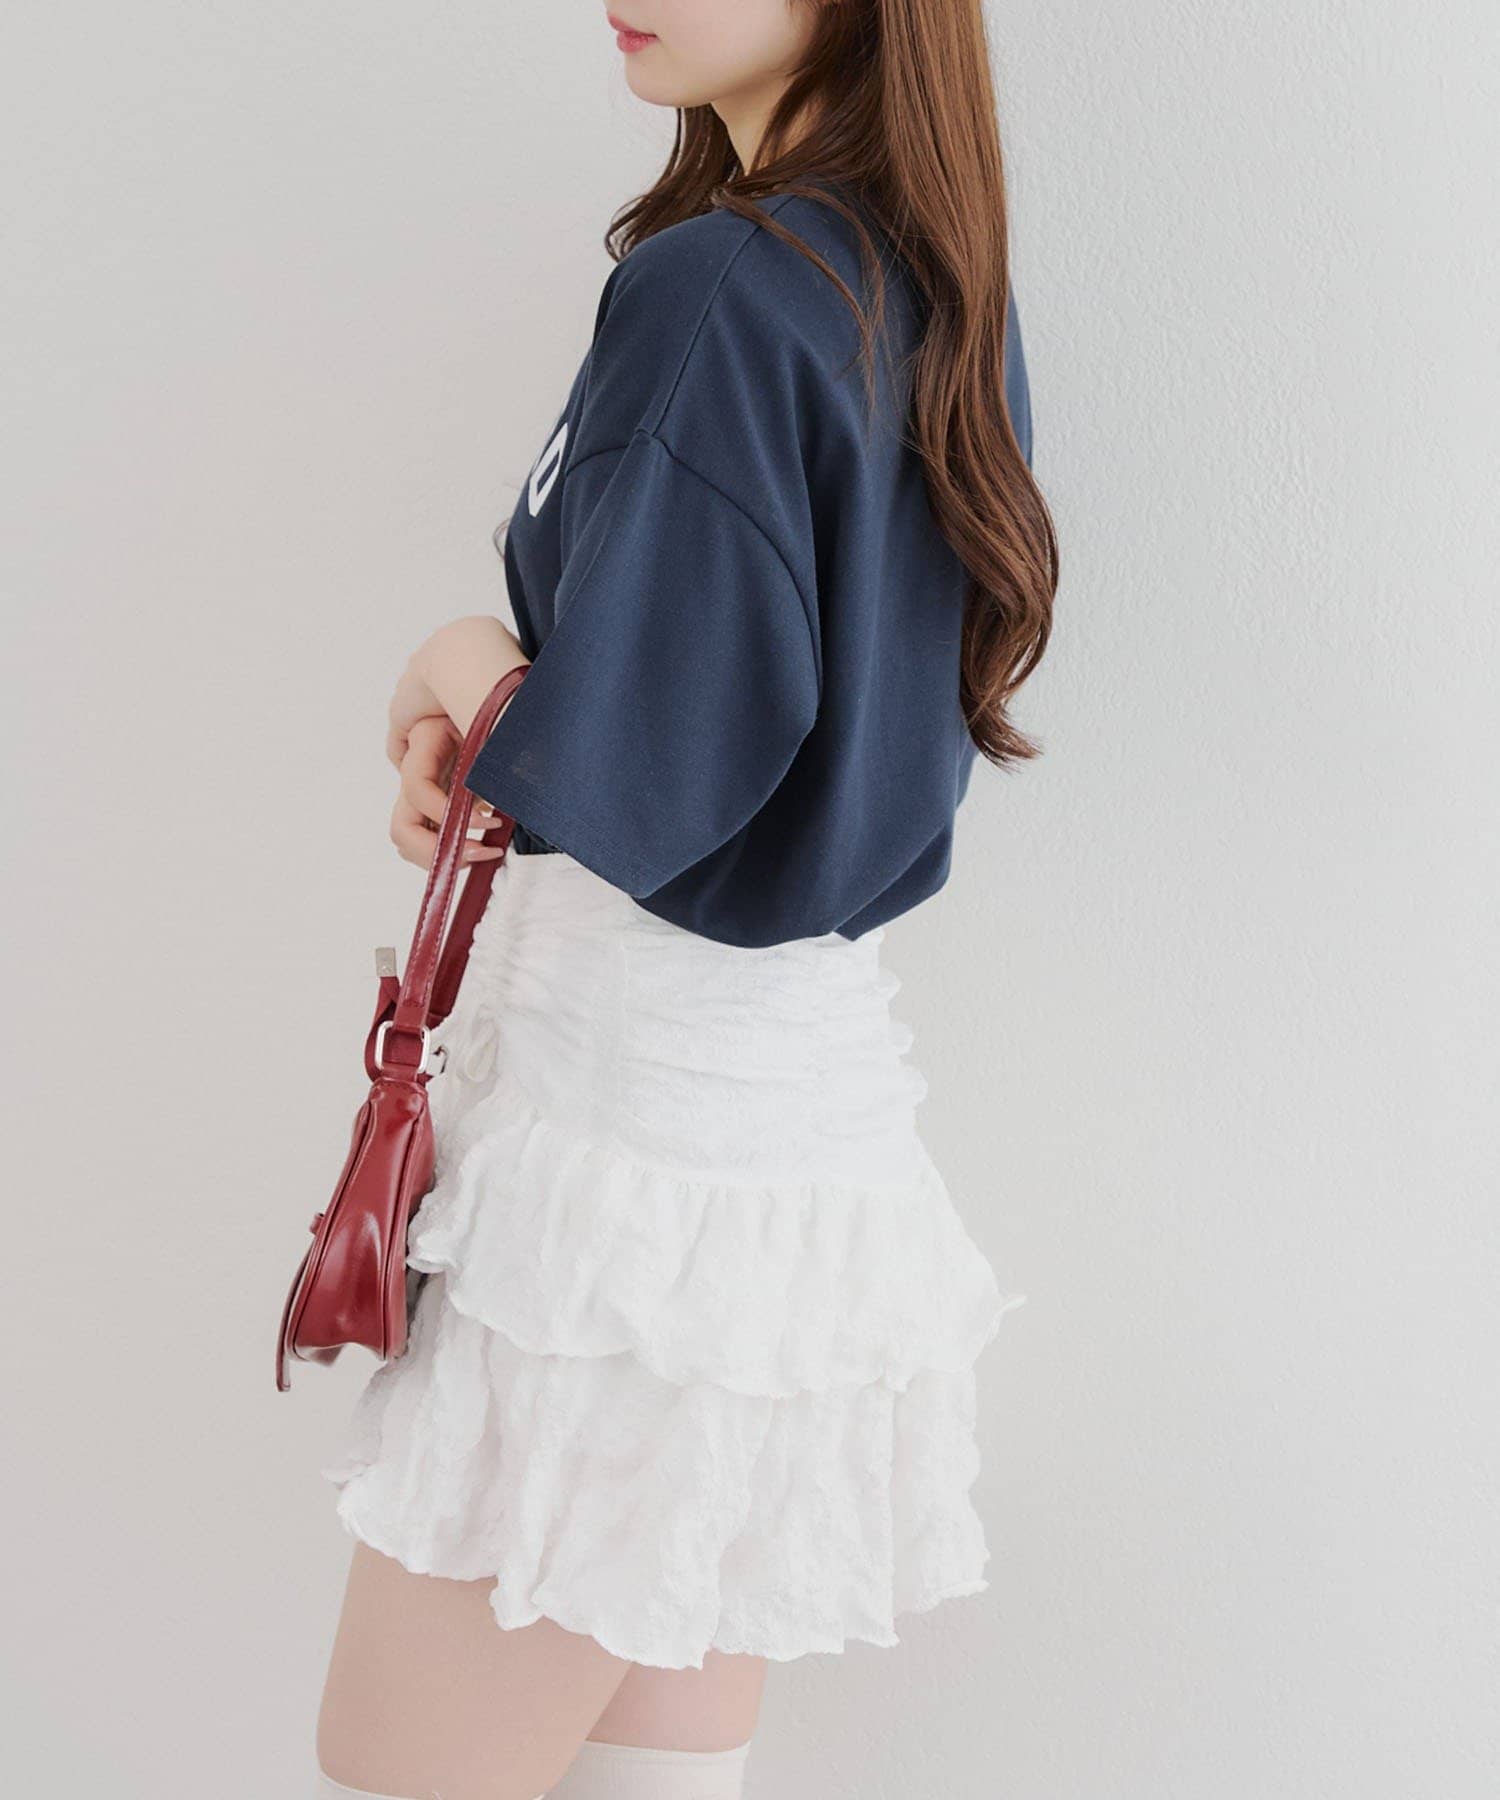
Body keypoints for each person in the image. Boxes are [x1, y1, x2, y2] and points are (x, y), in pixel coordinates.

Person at [311, 3, 1057, 1796]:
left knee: (402, 1774)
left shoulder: (724, 284)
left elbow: (638, 776)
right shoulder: (919, 278)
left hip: (625, 1170)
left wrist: (456, 653)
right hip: (795, 1152)